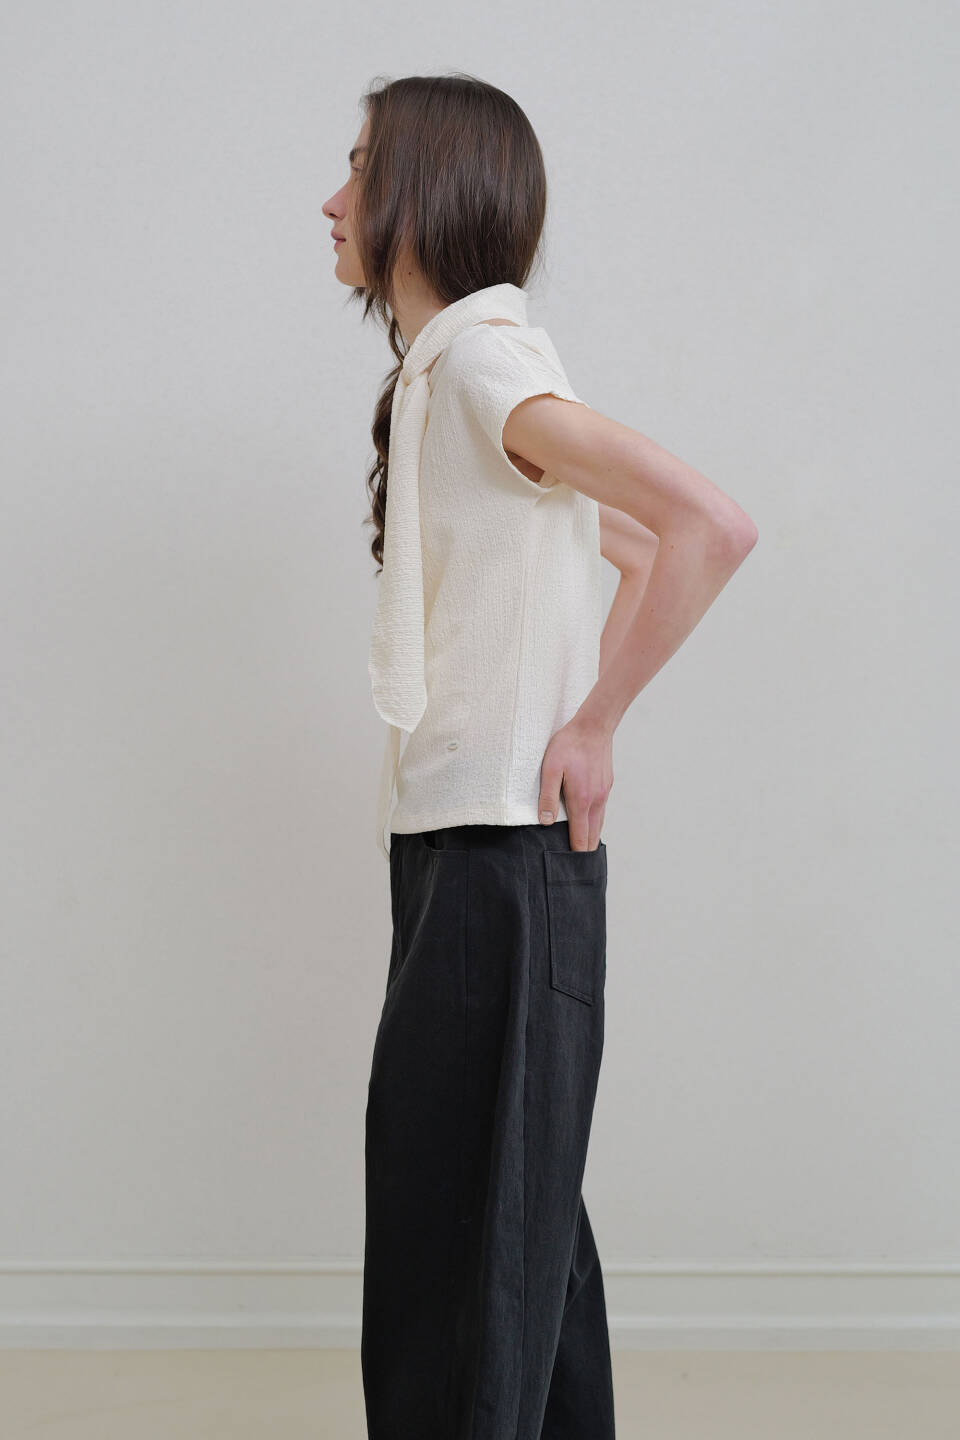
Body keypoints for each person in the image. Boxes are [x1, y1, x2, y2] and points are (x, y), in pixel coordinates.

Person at [324, 72, 758, 1440]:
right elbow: (616, 545)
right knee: (511, 1225)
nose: (332, 201)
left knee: (472, 1237)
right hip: (469, 854)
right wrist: (575, 712)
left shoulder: (482, 363)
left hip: (499, 861)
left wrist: (593, 724)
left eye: (358, 169)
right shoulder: (452, 374)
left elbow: (706, 526)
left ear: (420, 191)